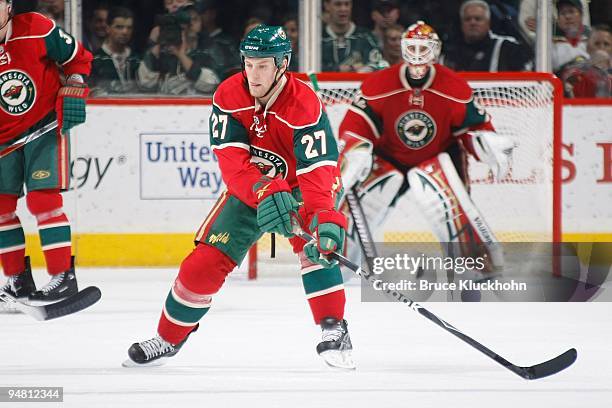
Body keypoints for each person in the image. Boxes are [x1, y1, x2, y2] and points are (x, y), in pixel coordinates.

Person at [124, 25, 354, 370]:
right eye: (248, 63)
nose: (253, 73)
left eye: (263, 65)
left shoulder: (304, 103)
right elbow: (232, 163)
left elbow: (318, 170)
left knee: (318, 249)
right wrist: (263, 190)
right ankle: (169, 338)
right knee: (202, 264)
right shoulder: (228, 95)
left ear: (282, 64)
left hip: (299, 189)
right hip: (251, 188)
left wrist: (322, 215)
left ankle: (334, 328)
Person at [338, 21, 513, 283]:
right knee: (357, 206)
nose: (418, 54)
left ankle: (475, 263)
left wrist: (484, 142)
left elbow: (472, 127)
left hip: (437, 155)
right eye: (413, 47)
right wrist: (354, 151)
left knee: (450, 206)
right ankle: (333, 258)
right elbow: (356, 125)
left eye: (424, 48)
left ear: (436, 50)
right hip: (389, 156)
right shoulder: (379, 83)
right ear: (403, 49)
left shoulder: (454, 87)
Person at [0, 0, 92, 306]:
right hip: (3, 141)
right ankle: (17, 280)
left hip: (44, 129)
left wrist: (75, 84)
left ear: (9, 6)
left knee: (43, 200)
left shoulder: (37, 28)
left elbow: (77, 58)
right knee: (1, 208)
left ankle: (63, 276)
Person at [137, 3, 221, 95]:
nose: (190, 24)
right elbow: (144, 83)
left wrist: (181, 56)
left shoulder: (205, 52)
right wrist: (155, 46)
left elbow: (210, 84)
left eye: (195, 19)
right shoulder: (162, 54)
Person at [441, 0, 532, 72]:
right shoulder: (450, 53)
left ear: (488, 23)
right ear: (461, 24)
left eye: (478, 19)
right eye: (467, 19)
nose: (473, 22)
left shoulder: (508, 48)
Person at [321, 0, 387, 72]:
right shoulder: (319, 38)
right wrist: (338, 69)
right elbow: (310, 67)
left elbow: (379, 64)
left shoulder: (365, 36)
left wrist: (364, 69)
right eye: (338, 4)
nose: (343, 9)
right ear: (327, 6)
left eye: (347, 4)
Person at [91, 7, 141, 95]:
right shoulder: (95, 60)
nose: (125, 32)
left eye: (129, 28)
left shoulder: (136, 59)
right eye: (119, 27)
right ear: (107, 28)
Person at [552, 0, 590, 73]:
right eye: (563, 13)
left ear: (581, 15)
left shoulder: (593, 39)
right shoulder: (548, 42)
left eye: (571, 12)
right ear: (558, 19)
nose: (567, 16)